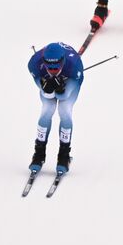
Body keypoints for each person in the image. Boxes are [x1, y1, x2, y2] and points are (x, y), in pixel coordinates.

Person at [27, 43, 85, 174]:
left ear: (63, 61)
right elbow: (43, 89)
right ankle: (39, 154)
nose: (53, 70)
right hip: (51, 78)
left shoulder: (74, 63)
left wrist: (60, 88)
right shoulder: (34, 63)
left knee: (64, 110)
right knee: (47, 109)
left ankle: (63, 156)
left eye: (56, 67)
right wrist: (45, 87)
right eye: (49, 67)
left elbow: (64, 95)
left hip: (71, 80)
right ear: (43, 62)